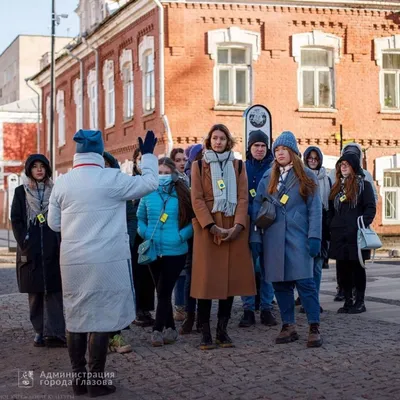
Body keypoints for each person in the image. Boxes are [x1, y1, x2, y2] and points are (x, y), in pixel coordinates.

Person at [48, 130, 158, 397]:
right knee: (101, 319)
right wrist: (149, 156)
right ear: (99, 152)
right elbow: (150, 183)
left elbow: (54, 223)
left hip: (74, 261)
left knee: (76, 318)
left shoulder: (63, 183)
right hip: (107, 260)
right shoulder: (112, 178)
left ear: (76, 154)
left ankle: (78, 380)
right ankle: (96, 382)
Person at [251, 131, 323, 348]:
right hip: (272, 238)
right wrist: (255, 238)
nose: (280, 153)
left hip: (298, 236)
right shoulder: (267, 178)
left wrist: (314, 237)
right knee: (280, 284)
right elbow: (256, 210)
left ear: (293, 152)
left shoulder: (307, 177)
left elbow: (315, 209)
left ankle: (314, 326)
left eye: (284, 149)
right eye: (277, 150)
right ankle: (288, 325)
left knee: (305, 283)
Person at [191, 124, 256, 350]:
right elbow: (197, 200)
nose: (218, 142)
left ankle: (222, 330)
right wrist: (211, 227)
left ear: (229, 141)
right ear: (209, 141)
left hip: (232, 225)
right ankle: (205, 332)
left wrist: (238, 226)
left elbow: (243, 198)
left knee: (228, 282)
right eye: (214, 138)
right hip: (207, 227)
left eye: (222, 138)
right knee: (206, 282)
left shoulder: (238, 166)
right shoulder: (198, 165)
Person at [137, 157, 193, 347]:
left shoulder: (183, 192)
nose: (163, 176)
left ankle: (157, 330)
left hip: (175, 250)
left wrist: (181, 236)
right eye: (159, 173)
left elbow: (193, 220)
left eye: (166, 173)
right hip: (153, 250)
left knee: (163, 291)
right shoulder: (147, 193)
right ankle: (171, 329)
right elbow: (140, 219)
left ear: (173, 174)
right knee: (161, 291)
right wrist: (145, 233)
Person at [11, 154, 66, 348]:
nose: (39, 170)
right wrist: (25, 239)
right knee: (35, 293)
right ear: (29, 170)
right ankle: (39, 332)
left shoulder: (56, 191)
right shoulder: (20, 192)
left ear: (47, 169)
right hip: (31, 248)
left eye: (42, 166)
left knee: (54, 292)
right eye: (35, 167)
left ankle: (56, 333)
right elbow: (16, 219)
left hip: (53, 247)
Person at [328, 143, 378, 302]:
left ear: (354, 166)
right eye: (341, 165)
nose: (343, 168)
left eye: (347, 164)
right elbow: (331, 209)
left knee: (357, 269)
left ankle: (359, 301)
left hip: (356, 236)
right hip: (340, 236)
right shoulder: (337, 187)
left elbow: (370, 207)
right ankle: (348, 300)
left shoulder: (364, 185)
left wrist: (359, 223)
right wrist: (332, 224)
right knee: (343, 270)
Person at [239, 130, 277, 328]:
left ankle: (266, 308)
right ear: (250, 148)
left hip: (270, 224)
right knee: (247, 268)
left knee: (267, 267)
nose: (260, 149)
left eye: (263, 146)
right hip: (248, 224)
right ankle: (247, 309)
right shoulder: (243, 169)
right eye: (256, 146)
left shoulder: (274, 168)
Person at [102, 151, 134, 354]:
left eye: (107, 165)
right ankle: (96, 338)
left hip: (116, 250)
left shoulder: (120, 188)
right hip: (93, 252)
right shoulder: (87, 189)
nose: (103, 168)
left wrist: (125, 239)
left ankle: (115, 335)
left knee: (116, 294)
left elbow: (131, 217)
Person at [297, 146, 331, 314]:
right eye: (309, 158)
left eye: (315, 159)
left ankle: (313, 301)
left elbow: (329, 206)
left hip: (321, 228)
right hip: (303, 227)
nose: (312, 161)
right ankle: (304, 299)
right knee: (304, 268)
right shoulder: (300, 176)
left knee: (317, 268)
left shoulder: (327, 179)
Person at [180, 144, 204, 334]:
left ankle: (200, 317)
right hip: (191, 230)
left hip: (207, 228)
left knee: (205, 274)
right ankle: (190, 315)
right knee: (190, 273)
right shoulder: (187, 177)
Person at [131, 148, 156, 327]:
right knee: (137, 274)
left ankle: (146, 309)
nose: (142, 163)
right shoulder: (130, 182)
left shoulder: (154, 182)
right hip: (135, 236)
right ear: (135, 162)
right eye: (140, 159)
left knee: (149, 275)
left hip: (152, 234)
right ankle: (137, 310)